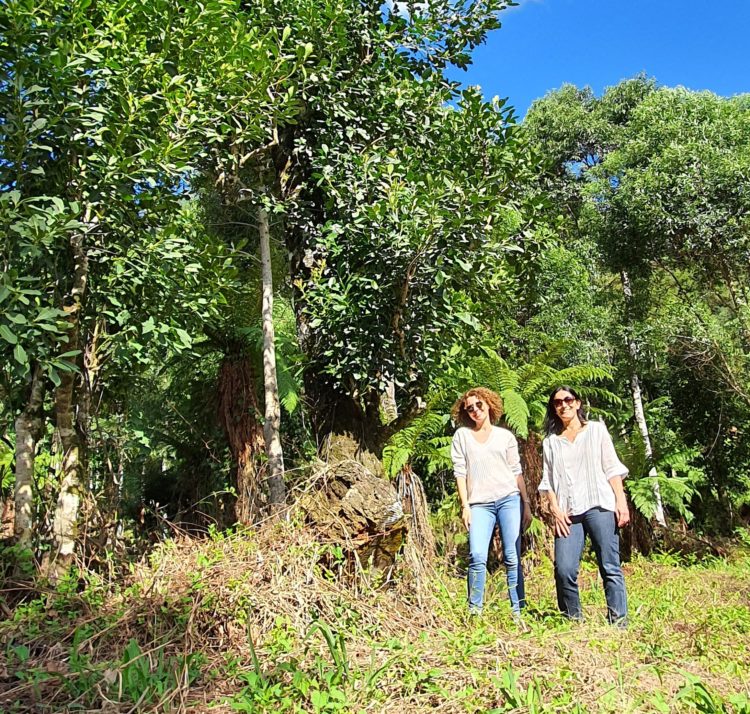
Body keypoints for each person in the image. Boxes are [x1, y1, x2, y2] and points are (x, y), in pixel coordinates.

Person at [538, 386, 630, 625]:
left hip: (599, 504)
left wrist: (621, 502)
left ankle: (618, 622)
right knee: (564, 569)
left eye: (568, 400)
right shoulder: (550, 443)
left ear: (578, 403)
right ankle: (573, 620)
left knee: (609, 565)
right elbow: (547, 481)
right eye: (558, 402)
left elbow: (612, 468)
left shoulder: (596, 430)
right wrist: (554, 509)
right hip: (568, 512)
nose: (563, 405)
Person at [451, 387, 532, 617]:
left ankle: (518, 611)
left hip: (509, 499)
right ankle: (474, 611)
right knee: (477, 555)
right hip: (479, 504)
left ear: (488, 404)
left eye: (479, 405)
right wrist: (465, 506)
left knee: (512, 555)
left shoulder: (504, 436)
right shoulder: (462, 437)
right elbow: (460, 472)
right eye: (470, 408)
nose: (475, 410)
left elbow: (517, 472)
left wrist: (525, 504)